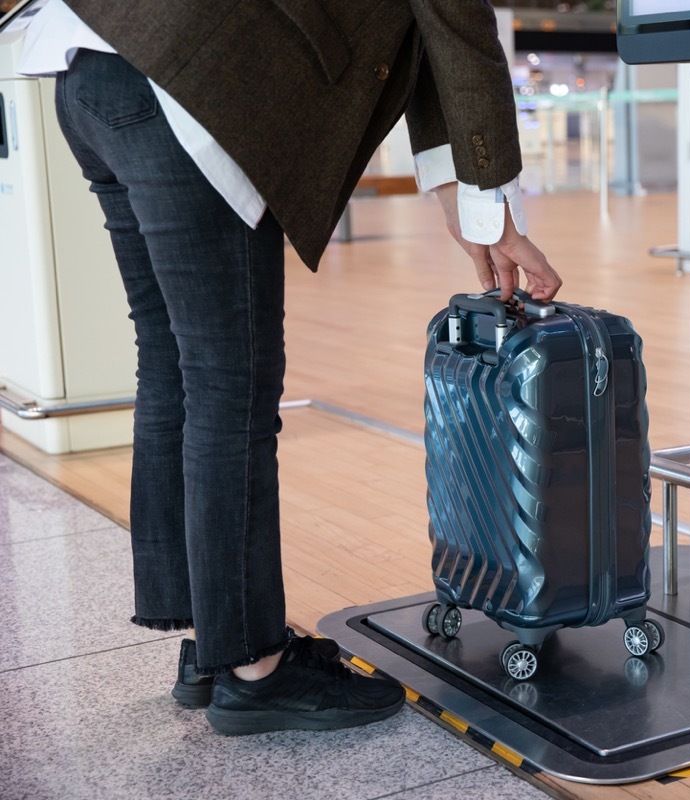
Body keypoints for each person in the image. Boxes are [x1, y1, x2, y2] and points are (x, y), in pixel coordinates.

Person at [17, 0, 561, 736]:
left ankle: (214, 645)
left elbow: (427, 42)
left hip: (97, 70)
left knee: (173, 363)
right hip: (191, 87)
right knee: (228, 384)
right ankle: (254, 671)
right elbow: (458, 24)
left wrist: (476, 212)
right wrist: (495, 209)